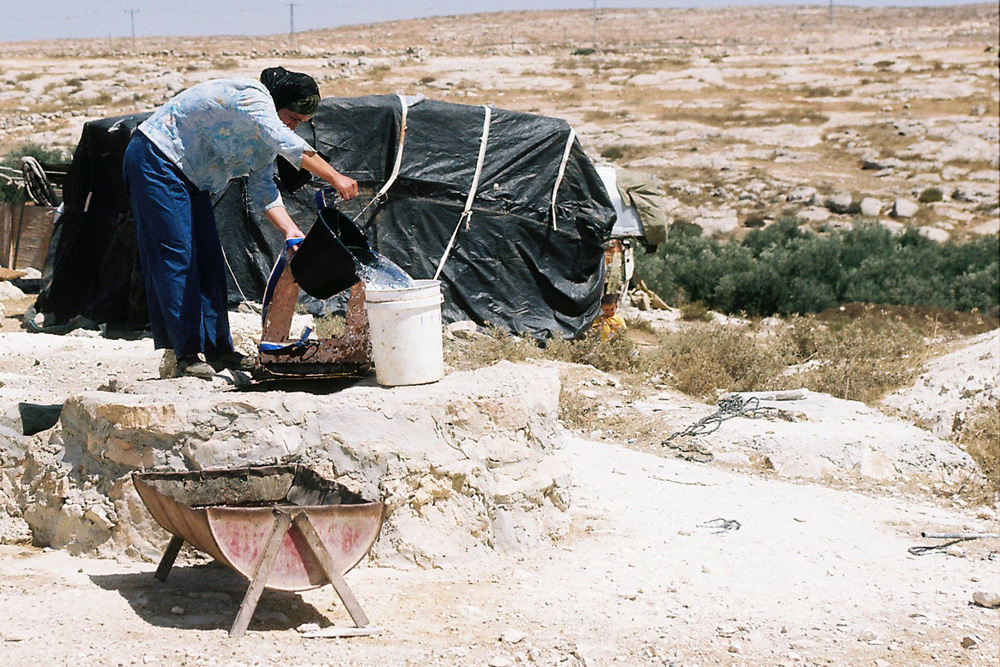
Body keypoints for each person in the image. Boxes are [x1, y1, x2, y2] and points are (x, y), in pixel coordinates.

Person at [122, 66, 358, 378]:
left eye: (300, 124)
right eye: (292, 118)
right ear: (279, 103)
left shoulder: (263, 141)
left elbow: (264, 192)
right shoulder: (253, 97)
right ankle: (187, 354)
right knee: (178, 257)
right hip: (157, 158)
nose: (293, 126)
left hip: (194, 180)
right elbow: (284, 139)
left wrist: (290, 231)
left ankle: (220, 350)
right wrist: (335, 177)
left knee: (209, 261)